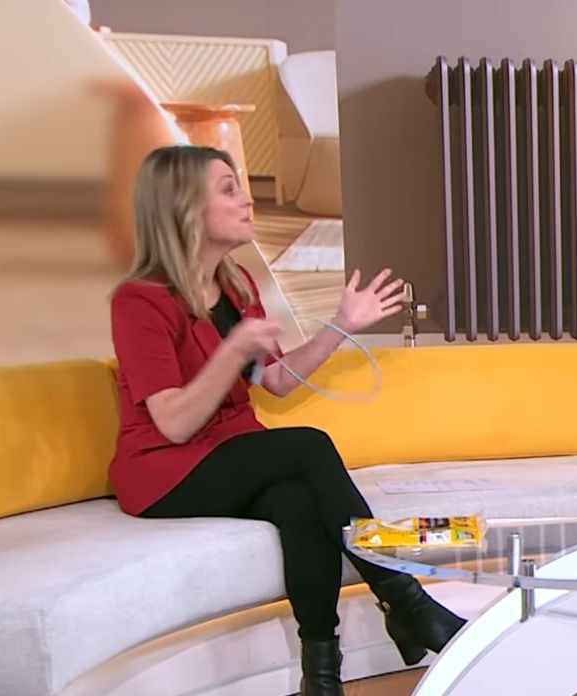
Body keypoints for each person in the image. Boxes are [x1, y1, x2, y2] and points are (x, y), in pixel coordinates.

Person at [108, 145, 464, 696]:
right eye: (228, 189)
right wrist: (232, 351)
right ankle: (408, 603)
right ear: (184, 207)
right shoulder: (140, 302)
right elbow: (173, 424)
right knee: (308, 446)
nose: (247, 200)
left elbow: (276, 380)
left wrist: (342, 325)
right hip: (164, 471)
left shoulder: (235, 286)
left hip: (228, 453)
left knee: (299, 502)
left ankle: (320, 677)